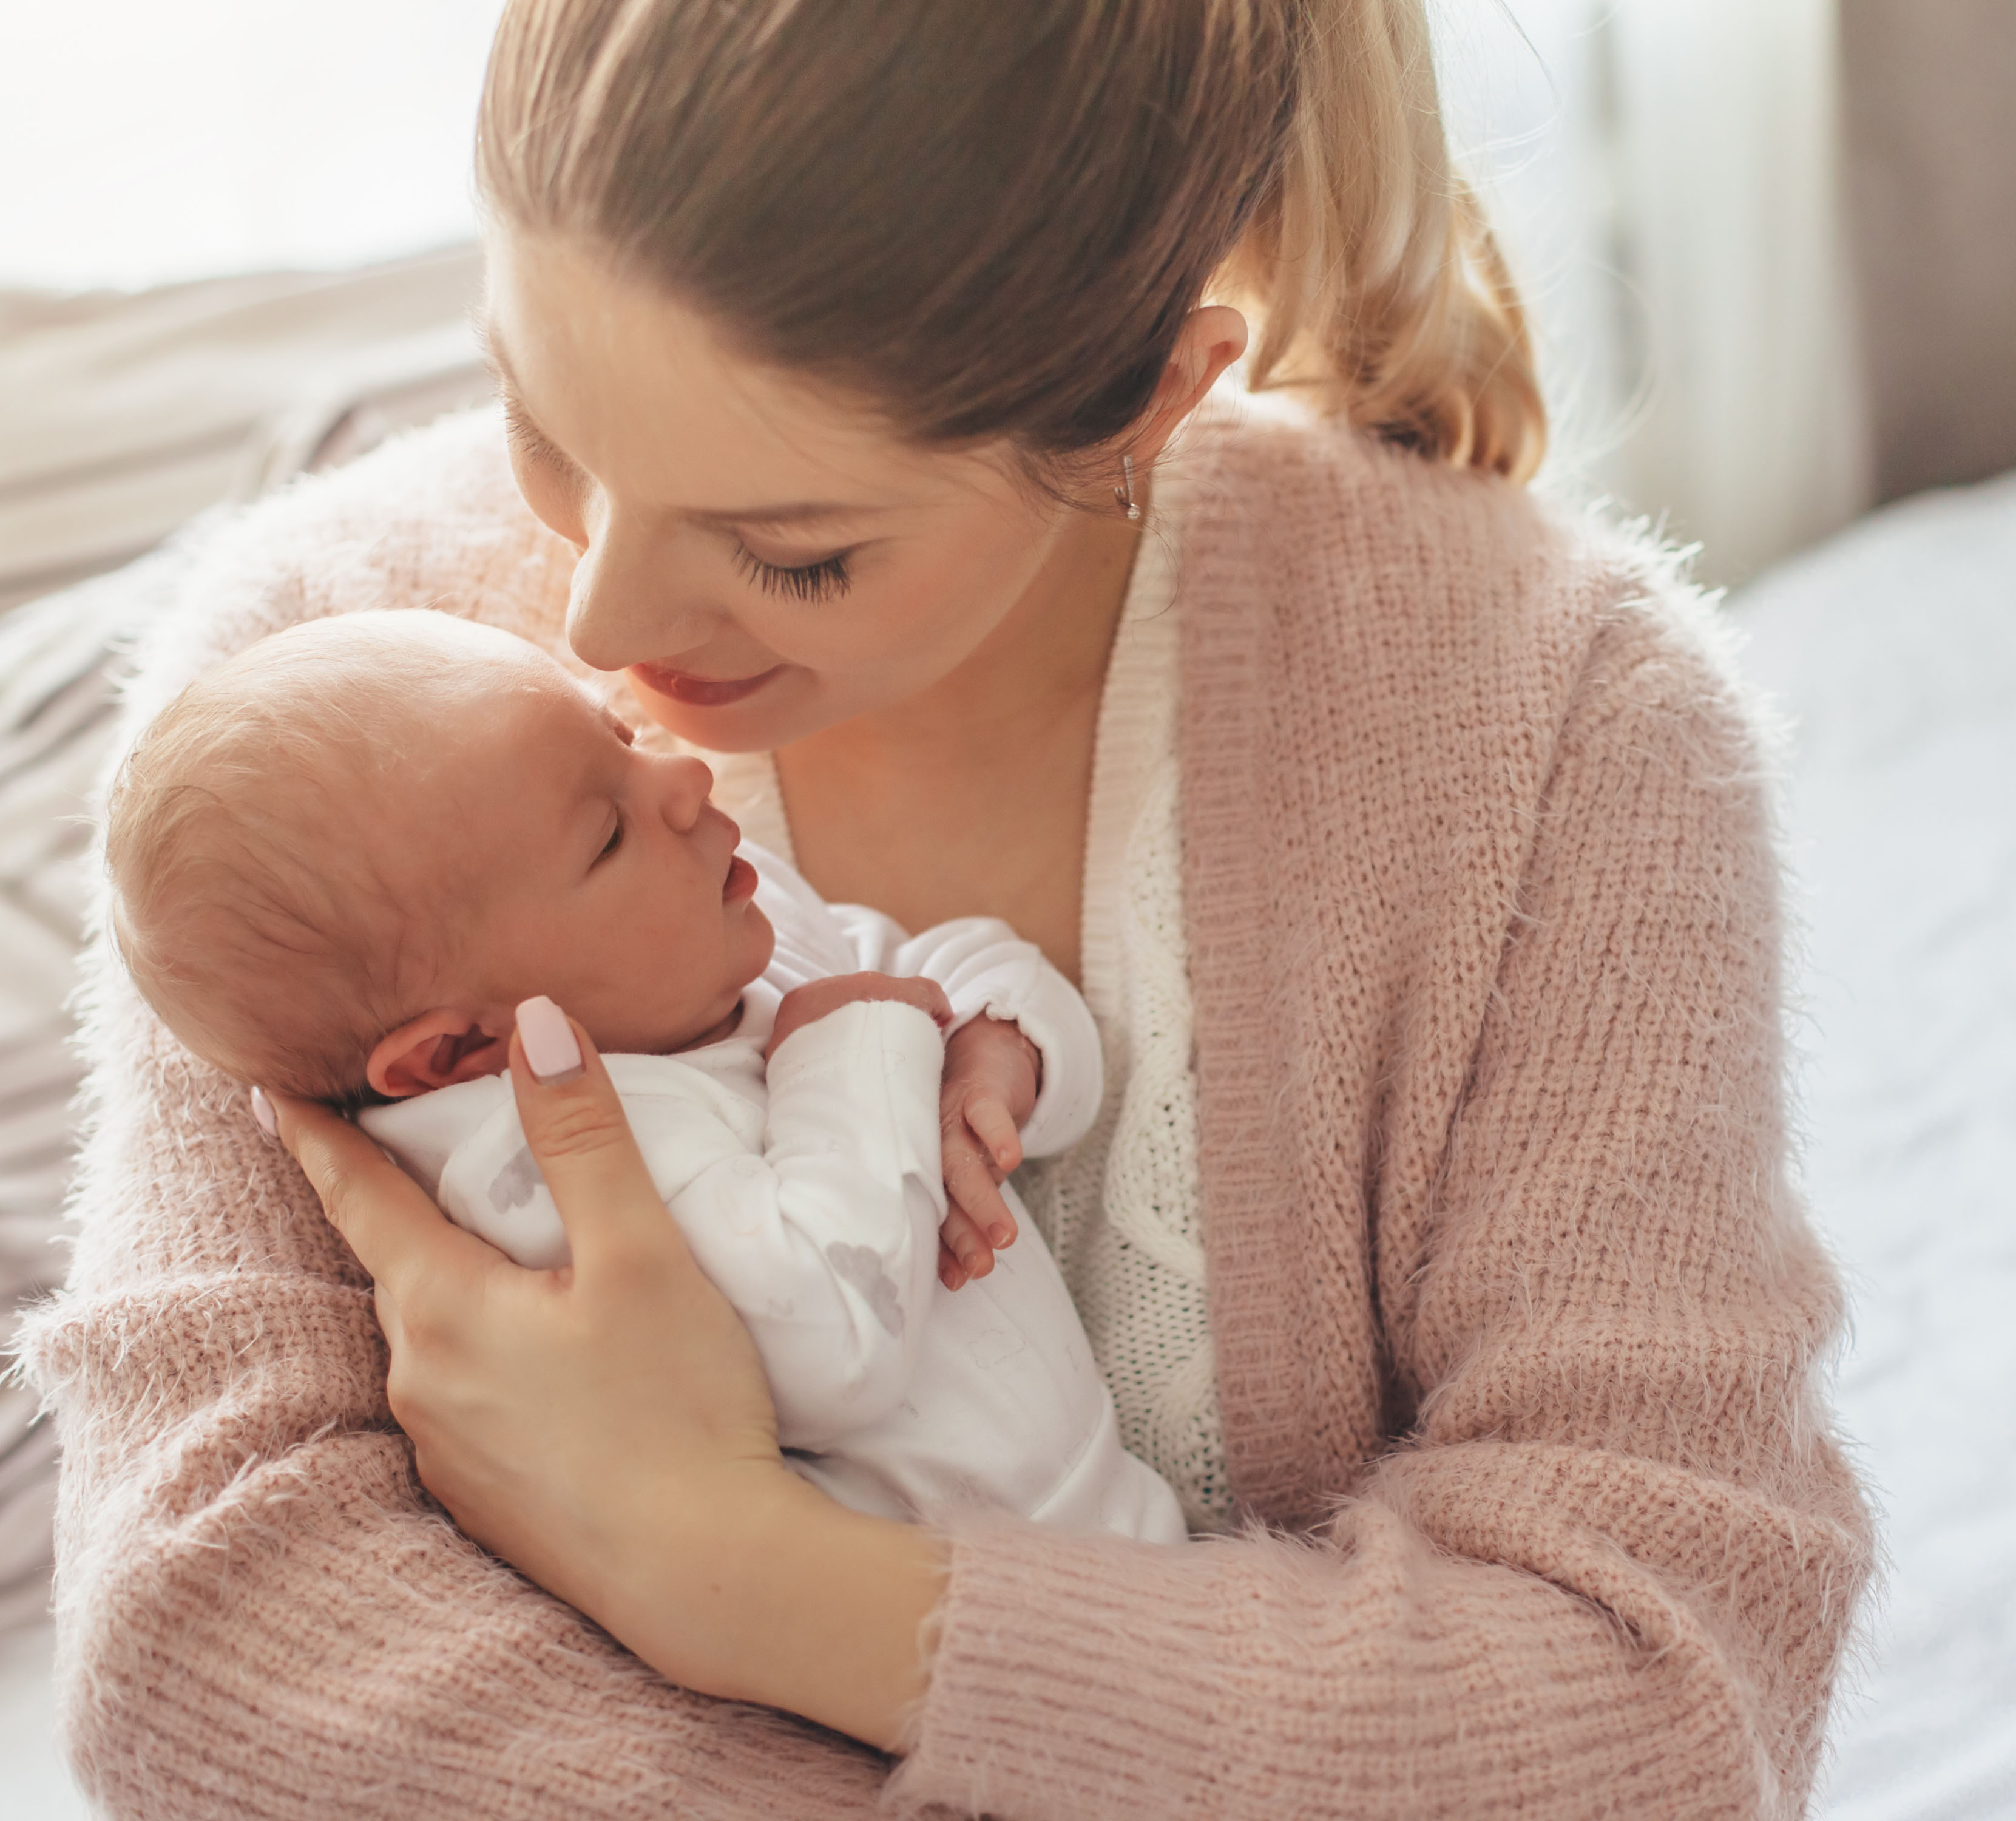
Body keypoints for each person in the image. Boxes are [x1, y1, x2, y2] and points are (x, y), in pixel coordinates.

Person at [27, 1, 1874, 1815]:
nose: (598, 630)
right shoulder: (315, 698)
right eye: (541, 420)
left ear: (1150, 395)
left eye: (793, 550)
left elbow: (1656, 1712)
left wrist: (730, 1576)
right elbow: (207, 1646)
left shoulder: (1557, 730)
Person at [100, 608, 1186, 1544]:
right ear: (455, 1053)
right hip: (943, 1610)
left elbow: (947, 964)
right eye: (607, 834)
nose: (681, 777)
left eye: (618, 736)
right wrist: (851, 1043)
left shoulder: (721, 946)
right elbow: (833, 1347)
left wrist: (998, 1050)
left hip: (1112, 1515)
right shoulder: (540, 1168)